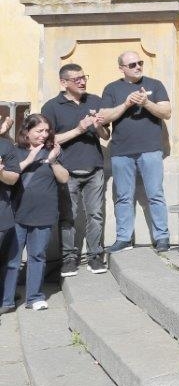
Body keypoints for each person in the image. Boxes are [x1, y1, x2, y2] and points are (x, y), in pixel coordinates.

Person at [98, 51, 173, 253]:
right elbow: (103, 118)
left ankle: (162, 237)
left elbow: (166, 112)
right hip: (121, 151)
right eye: (132, 65)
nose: (138, 66)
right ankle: (124, 238)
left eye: (140, 63)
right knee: (123, 196)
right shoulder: (112, 89)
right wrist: (126, 104)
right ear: (122, 68)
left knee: (155, 194)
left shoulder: (155, 85)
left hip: (150, 150)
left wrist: (146, 103)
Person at [40, 63, 109, 276]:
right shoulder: (51, 107)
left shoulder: (95, 101)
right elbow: (47, 140)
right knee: (68, 217)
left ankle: (95, 256)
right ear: (64, 83)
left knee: (96, 215)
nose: (82, 81)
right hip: (66, 171)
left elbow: (106, 136)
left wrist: (97, 125)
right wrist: (79, 129)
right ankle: (69, 259)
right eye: (76, 79)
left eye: (83, 77)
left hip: (95, 168)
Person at [1, 115, 69, 312]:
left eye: (46, 131)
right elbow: (11, 177)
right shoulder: (15, 151)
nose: (44, 135)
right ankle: (6, 300)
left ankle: (35, 297)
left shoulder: (52, 150)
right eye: (39, 131)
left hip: (44, 212)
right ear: (27, 132)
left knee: (37, 255)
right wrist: (30, 159)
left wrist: (53, 161)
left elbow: (64, 178)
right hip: (17, 213)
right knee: (12, 259)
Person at [0, 115, 21, 318]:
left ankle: (6, 300)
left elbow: (13, 178)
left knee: (7, 261)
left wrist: (0, 172)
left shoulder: (6, 146)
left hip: (2, 216)